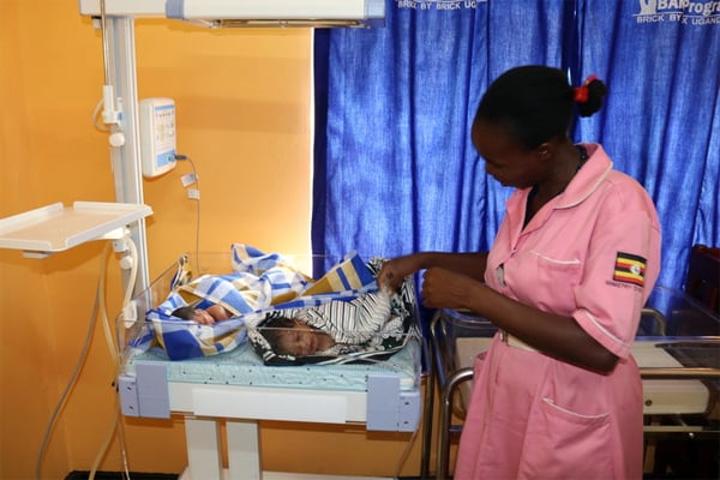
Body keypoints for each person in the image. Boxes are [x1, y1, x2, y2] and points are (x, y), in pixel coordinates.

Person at [378, 66, 660, 479]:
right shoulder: (531, 193)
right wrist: (423, 259)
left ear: (543, 150)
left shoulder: (620, 206)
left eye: (497, 162)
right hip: (514, 392)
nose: (489, 171)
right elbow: (511, 268)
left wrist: (471, 296)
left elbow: (600, 347)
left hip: (575, 402)